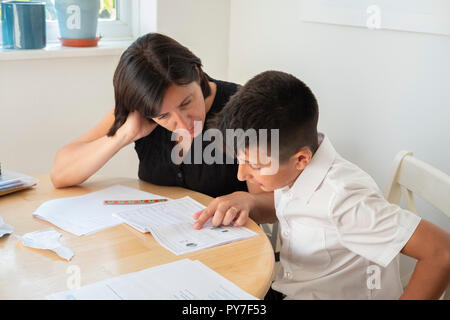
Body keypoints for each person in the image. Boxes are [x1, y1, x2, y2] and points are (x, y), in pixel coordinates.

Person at [193, 70, 450, 299]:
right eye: (240, 160)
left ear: (301, 159)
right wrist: (249, 202)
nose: (241, 174)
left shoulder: (345, 200)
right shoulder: (292, 168)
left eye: (255, 165)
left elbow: (442, 253)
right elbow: (291, 211)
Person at [50, 33, 273, 211]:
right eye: (163, 116)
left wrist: (249, 201)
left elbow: (273, 202)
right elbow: (60, 174)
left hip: (232, 250)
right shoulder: (140, 114)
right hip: (157, 246)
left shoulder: (242, 110)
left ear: (196, 72)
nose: (184, 124)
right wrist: (123, 135)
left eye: (186, 102)